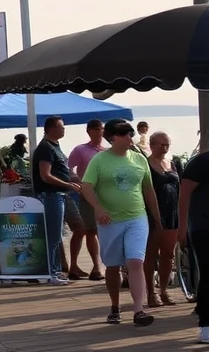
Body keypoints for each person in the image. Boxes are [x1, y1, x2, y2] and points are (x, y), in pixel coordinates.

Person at [80, 119, 161, 326]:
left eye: (131, 132)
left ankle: (138, 310)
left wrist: (157, 218)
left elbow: (148, 190)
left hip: (137, 217)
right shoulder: (99, 160)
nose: (130, 137)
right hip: (110, 220)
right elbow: (87, 186)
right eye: (125, 133)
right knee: (113, 266)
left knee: (136, 262)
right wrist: (98, 208)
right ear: (113, 137)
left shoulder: (139, 159)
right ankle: (115, 306)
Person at [32, 116, 80, 285]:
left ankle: (56, 270)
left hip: (58, 195)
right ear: (51, 129)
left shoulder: (55, 146)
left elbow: (62, 170)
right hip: (50, 195)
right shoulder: (45, 148)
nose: (64, 130)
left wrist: (75, 179)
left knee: (57, 234)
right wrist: (68, 184)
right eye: (61, 127)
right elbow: (46, 175)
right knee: (53, 235)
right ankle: (51, 272)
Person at [144, 131, 181, 308]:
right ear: (151, 145)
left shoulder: (172, 163)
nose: (165, 148)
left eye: (167, 144)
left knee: (168, 254)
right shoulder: (146, 165)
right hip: (152, 214)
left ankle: (164, 290)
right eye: (161, 144)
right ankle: (151, 293)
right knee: (150, 256)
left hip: (172, 213)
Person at [68, 119, 108, 281]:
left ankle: (105, 266)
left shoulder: (107, 151)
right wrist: (80, 183)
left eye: (102, 129)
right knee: (91, 230)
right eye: (97, 130)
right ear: (89, 131)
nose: (100, 133)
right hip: (88, 196)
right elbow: (68, 168)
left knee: (105, 231)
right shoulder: (81, 150)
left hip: (107, 196)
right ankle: (97, 267)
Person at [177, 137, 209, 343]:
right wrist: (182, 228)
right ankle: (206, 324)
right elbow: (184, 195)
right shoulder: (201, 162)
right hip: (203, 227)